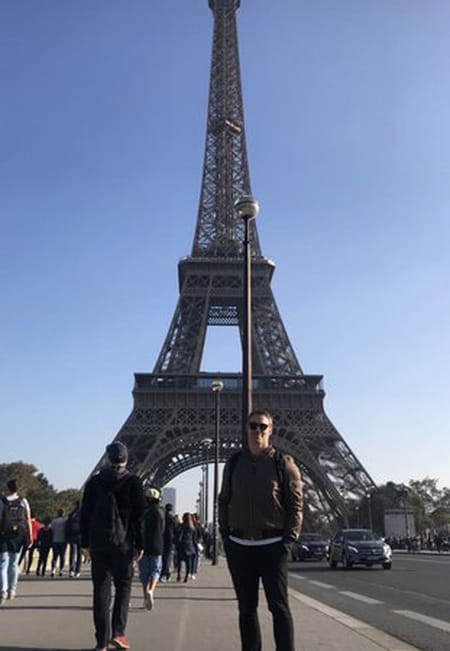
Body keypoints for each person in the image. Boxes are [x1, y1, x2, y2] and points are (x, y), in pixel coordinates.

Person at [219, 409, 303, 651]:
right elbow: (224, 500)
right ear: (246, 429)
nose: (258, 430)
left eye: (262, 426)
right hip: (240, 546)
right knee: (246, 608)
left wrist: (288, 541)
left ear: (270, 430)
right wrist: (226, 537)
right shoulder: (234, 463)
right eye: (253, 425)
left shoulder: (283, 463)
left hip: (273, 546)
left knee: (279, 606)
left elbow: (296, 505)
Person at [80, 441, 145, 651]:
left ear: (107, 459)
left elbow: (85, 515)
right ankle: (118, 633)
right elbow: (139, 517)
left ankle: (101, 642)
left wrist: (84, 543)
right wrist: (140, 544)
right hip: (123, 543)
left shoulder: (94, 482)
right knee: (124, 587)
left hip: (99, 543)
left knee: (101, 591)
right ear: (126, 459)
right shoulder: (133, 482)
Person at [0, 479, 33, 604]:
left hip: (3, 535)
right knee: (14, 563)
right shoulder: (23, 501)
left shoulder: (2, 501)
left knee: (3, 564)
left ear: (7, 488)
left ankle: (2, 592)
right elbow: (28, 519)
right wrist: (30, 536)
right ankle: (12, 590)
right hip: (18, 536)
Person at [138, 487, 165, 610]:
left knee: (144, 573)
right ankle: (151, 590)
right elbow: (163, 529)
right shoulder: (161, 512)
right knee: (155, 570)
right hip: (157, 545)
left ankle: (145, 597)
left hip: (143, 545)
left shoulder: (142, 513)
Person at [175, 512, 197, 583]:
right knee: (188, 563)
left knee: (179, 562)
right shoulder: (192, 528)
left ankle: (179, 575)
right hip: (189, 547)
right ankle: (186, 576)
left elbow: (178, 536)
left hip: (181, 546)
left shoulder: (181, 526)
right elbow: (194, 539)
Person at [50, 508, 68, 577]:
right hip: (63, 540)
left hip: (55, 540)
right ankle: (61, 570)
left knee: (55, 556)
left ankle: (53, 569)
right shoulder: (65, 521)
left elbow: (52, 530)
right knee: (62, 556)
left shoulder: (54, 521)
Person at [160, 503, 176, 581]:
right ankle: (166, 572)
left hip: (161, 538)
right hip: (170, 540)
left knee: (162, 556)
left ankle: (163, 572)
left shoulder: (162, 517)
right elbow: (175, 529)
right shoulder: (172, 518)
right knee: (167, 557)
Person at [67, 500, 82, 577]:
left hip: (72, 536)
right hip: (80, 536)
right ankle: (77, 570)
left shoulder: (71, 514)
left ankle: (71, 570)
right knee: (79, 554)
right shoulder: (83, 514)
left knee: (72, 553)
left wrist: (67, 537)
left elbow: (67, 527)